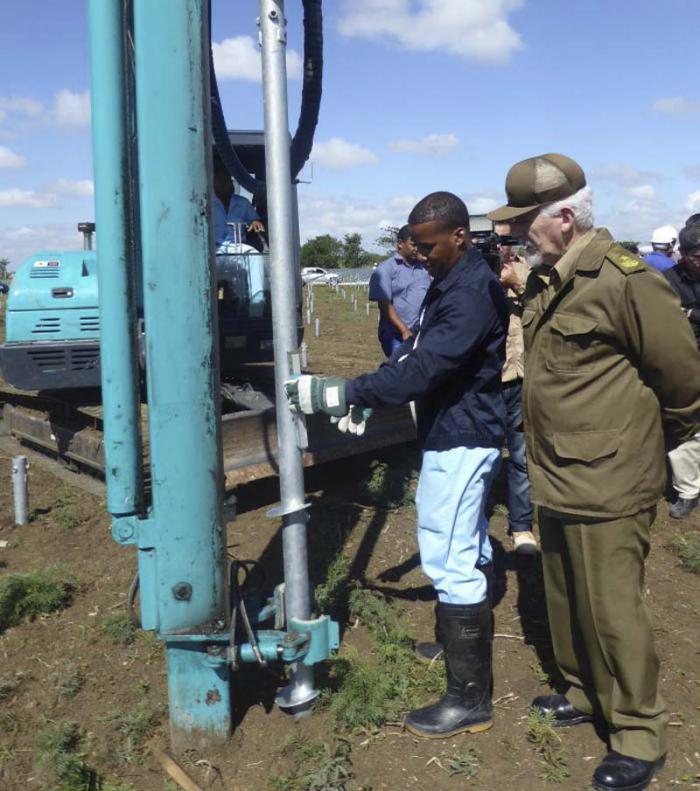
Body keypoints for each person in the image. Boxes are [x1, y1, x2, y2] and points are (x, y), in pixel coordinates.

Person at [488, 152, 700, 791]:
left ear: (562, 217)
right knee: (565, 597)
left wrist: (651, 444)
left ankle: (638, 732)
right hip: (557, 473)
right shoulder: (553, 275)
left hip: (610, 478)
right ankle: (584, 693)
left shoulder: (625, 278)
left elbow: (683, 380)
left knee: (612, 609)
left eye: (525, 219)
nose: (515, 231)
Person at [287, 192, 508, 739]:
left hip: (461, 435)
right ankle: (456, 641)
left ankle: (468, 699)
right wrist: (367, 395)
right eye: (414, 244)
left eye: (429, 245)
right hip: (452, 426)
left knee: (446, 549)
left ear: (459, 235)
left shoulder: (472, 293)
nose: (420, 254)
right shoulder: (452, 282)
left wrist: (345, 392)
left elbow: (425, 368)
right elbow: (412, 354)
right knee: (468, 542)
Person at [494, 222, 536, 554]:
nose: (502, 245)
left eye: (508, 239)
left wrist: (517, 285)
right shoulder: (474, 273)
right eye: (496, 238)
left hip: (522, 377)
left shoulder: (529, 271)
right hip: (490, 381)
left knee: (521, 456)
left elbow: (544, 308)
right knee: (485, 454)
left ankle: (522, 525)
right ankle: (475, 521)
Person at [664, 222, 700, 518]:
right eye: (696, 255)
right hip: (683, 363)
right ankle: (688, 491)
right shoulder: (666, 280)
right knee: (683, 427)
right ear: (682, 253)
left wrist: (690, 314)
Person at [368, 226, 431, 356]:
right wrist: (404, 331)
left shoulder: (425, 268)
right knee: (403, 370)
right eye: (413, 244)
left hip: (421, 334)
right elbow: (385, 304)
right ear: (400, 244)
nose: (417, 249)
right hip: (397, 336)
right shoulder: (385, 270)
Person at [212, 149, 265, 248]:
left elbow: (255, 220)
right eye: (220, 179)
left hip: (239, 249)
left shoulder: (243, 203)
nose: (225, 183)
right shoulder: (206, 203)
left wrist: (255, 222)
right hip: (214, 249)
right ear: (213, 181)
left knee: (255, 256)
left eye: (227, 179)